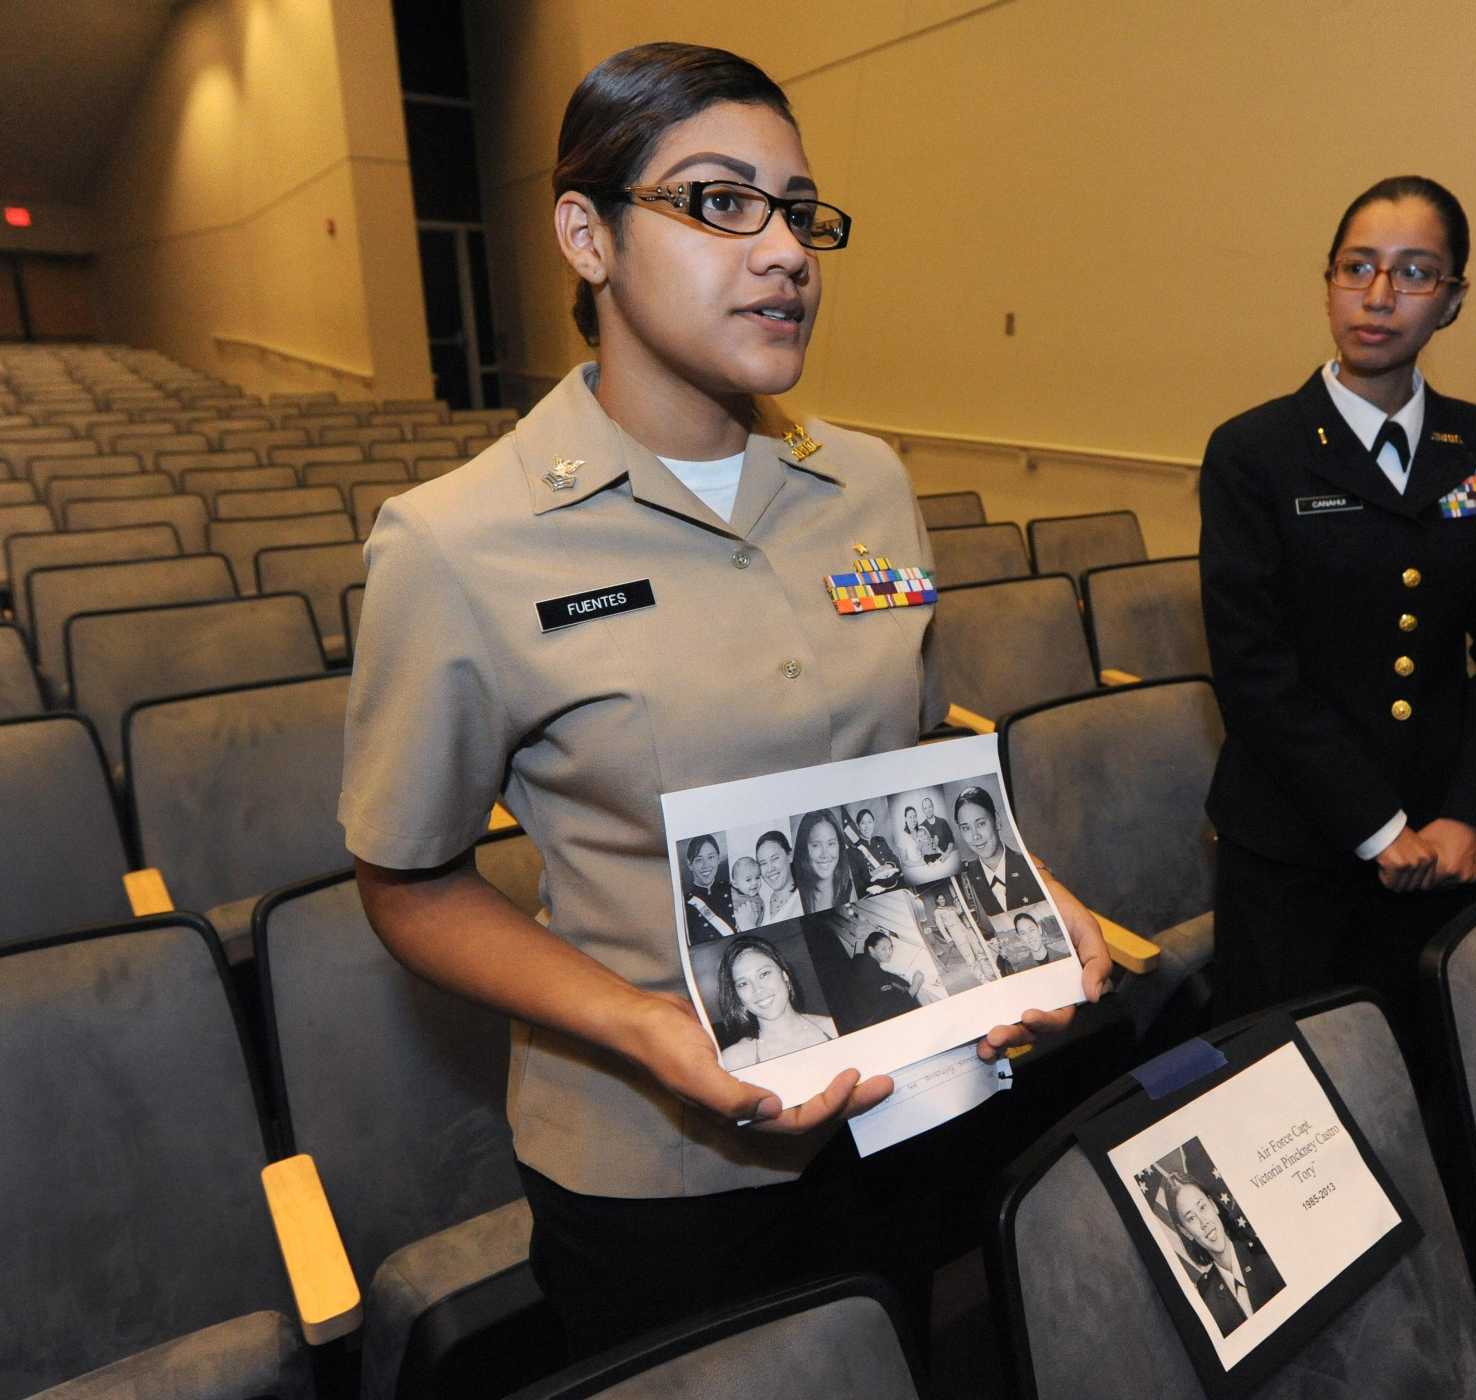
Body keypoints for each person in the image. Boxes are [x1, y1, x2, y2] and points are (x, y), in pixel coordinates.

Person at [339, 42, 1109, 1358]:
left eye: (798, 211)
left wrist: (1026, 900)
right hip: (663, 1166)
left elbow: (905, 764)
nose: (785, 251)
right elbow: (408, 882)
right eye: (716, 202)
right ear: (587, 234)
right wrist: (640, 1025)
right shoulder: (457, 544)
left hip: (905, 1103)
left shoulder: (868, 484)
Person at [1200, 176, 1476, 1051]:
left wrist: (1471, 812)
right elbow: (1254, 669)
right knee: (1281, 1086)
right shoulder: (1257, 451)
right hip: (1294, 846)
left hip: (1444, 847)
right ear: (1328, 282)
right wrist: (1376, 826)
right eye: (1358, 268)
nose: (1380, 296)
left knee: (1417, 1069)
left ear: (1454, 300)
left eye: (1415, 272)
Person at [1162, 1174, 1285, 1337]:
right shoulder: (1207, 1300)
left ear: (1214, 1205)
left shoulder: (1266, 1257)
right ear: (1185, 1231)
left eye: (1202, 1207)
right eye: (1191, 1218)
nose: (1203, 1222)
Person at [717, 937, 838, 1068]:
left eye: (764, 974)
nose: (757, 989)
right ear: (737, 996)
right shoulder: (733, 1060)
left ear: (784, 976)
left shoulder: (832, 1028)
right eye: (743, 983)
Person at [955, 785, 1045, 915]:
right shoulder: (964, 877)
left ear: (996, 820)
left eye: (981, 824)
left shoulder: (1031, 867)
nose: (975, 835)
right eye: (966, 828)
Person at [792, 808, 856, 913]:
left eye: (831, 843)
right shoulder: (795, 893)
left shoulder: (847, 887)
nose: (825, 854)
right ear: (803, 848)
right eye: (816, 845)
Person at [680, 835, 736, 945]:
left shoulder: (733, 888)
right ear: (690, 864)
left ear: (718, 858)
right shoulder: (685, 905)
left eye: (711, 857)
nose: (706, 865)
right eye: (699, 860)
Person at [842, 807, 902, 894]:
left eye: (869, 822)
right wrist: (874, 874)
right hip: (875, 890)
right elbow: (857, 880)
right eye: (863, 823)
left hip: (895, 883)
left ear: (874, 823)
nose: (867, 827)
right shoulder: (852, 851)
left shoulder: (880, 840)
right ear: (858, 826)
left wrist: (888, 866)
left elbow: (895, 859)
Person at [755, 829, 804, 924]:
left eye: (775, 858)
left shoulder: (805, 898)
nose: (770, 869)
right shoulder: (760, 902)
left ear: (790, 855)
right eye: (763, 863)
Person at [998, 911, 1069, 974]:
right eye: (1023, 933)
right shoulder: (1022, 970)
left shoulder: (1064, 957)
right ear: (1020, 938)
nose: (1029, 937)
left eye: (1031, 930)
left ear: (1039, 929)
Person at [728, 855, 765, 931]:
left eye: (757, 877)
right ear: (735, 884)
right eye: (748, 880)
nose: (755, 883)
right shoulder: (731, 896)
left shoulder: (758, 901)